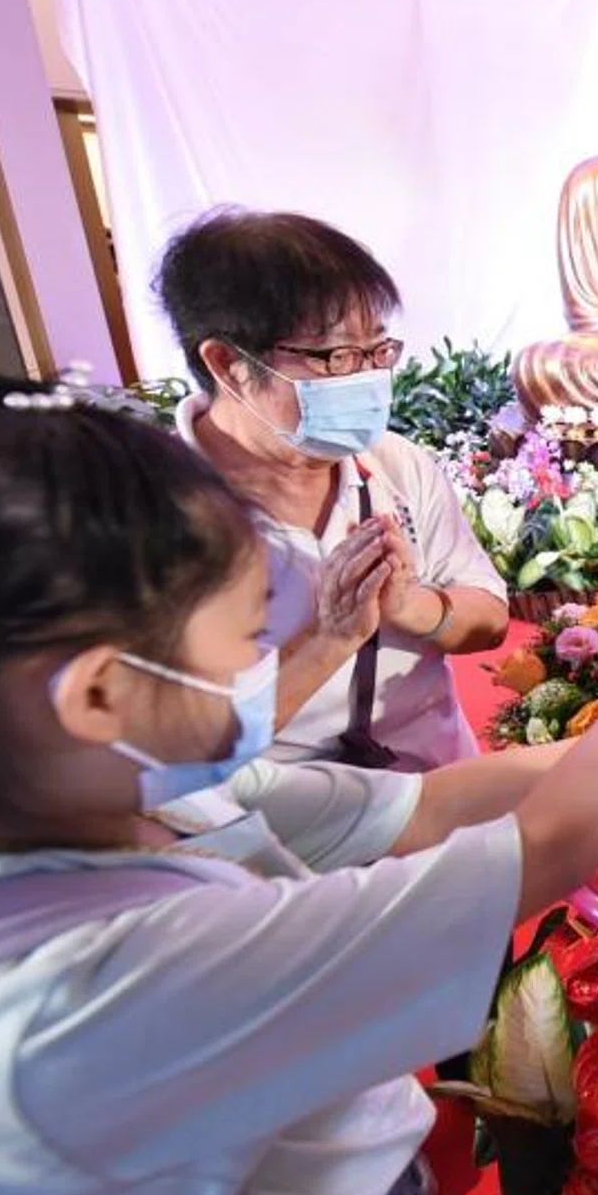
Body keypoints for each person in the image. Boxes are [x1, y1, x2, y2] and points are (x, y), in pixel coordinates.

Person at [0, 380, 598, 1195]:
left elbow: (428, 804)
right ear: (102, 694)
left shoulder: (129, 793)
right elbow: (550, 845)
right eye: (247, 639)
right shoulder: (110, 977)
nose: (270, 671)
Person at [157, 208, 509, 772]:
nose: (366, 380)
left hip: (441, 787)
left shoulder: (395, 465)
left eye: (377, 352)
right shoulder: (150, 514)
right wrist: (330, 637)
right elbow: (183, 749)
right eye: (336, 356)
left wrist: (413, 608)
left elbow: (490, 617)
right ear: (227, 363)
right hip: (281, 831)